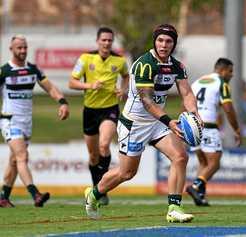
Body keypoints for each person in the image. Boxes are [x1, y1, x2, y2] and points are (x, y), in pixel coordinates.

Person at [84, 24, 199, 223]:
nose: (164, 45)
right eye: (160, 40)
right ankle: (93, 194)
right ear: (155, 41)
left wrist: (195, 115)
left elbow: (187, 93)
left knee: (180, 157)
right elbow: (146, 101)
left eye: (169, 41)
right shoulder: (144, 64)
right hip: (134, 124)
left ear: (174, 44)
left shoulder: (177, 66)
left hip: (156, 123)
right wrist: (168, 122)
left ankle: (174, 208)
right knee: (126, 173)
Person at [0, 35, 69, 207]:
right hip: (10, 121)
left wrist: (62, 102)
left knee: (14, 161)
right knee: (22, 156)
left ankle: (3, 197)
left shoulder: (33, 70)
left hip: (26, 122)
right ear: (11, 49)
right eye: (19, 48)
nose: (22, 51)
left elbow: (50, 87)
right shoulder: (4, 71)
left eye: (24, 47)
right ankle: (35, 194)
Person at [69, 27, 129, 205]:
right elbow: (71, 82)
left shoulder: (119, 60)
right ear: (97, 41)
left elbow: (126, 77)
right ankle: (97, 188)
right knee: (93, 156)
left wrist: (123, 90)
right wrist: (89, 86)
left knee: (104, 145)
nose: (107, 43)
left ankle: (104, 187)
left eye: (110, 40)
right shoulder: (86, 58)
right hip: (90, 110)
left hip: (109, 109)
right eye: (103, 40)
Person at [186, 58, 242, 206]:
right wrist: (236, 128)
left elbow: (184, 103)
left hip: (193, 125)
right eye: (230, 71)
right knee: (214, 163)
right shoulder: (221, 83)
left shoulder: (197, 82)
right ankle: (195, 186)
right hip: (208, 126)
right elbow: (228, 108)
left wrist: (185, 126)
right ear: (222, 70)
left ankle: (200, 196)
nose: (231, 75)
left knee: (203, 162)